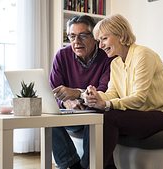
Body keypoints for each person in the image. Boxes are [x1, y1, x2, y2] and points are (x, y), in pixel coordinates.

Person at [85, 14, 163, 169]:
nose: (100, 45)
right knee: (95, 113)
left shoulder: (143, 55)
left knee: (108, 117)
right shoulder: (115, 63)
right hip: (139, 113)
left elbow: (139, 98)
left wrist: (107, 104)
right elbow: (112, 93)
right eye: (99, 41)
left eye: (104, 39)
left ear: (121, 35)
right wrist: (95, 97)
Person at [49, 15, 114, 169]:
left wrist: (78, 95)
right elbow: (53, 92)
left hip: (93, 112)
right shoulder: (62, 56)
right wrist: (66, 102)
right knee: (47, 118)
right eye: (72, 36)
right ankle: (71, 165)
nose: (76, 42)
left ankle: (88, 165)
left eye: (83, 35)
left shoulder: (108, 57)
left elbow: (104, 92)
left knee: (97, 116)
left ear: (95, 37)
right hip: (70, 114)